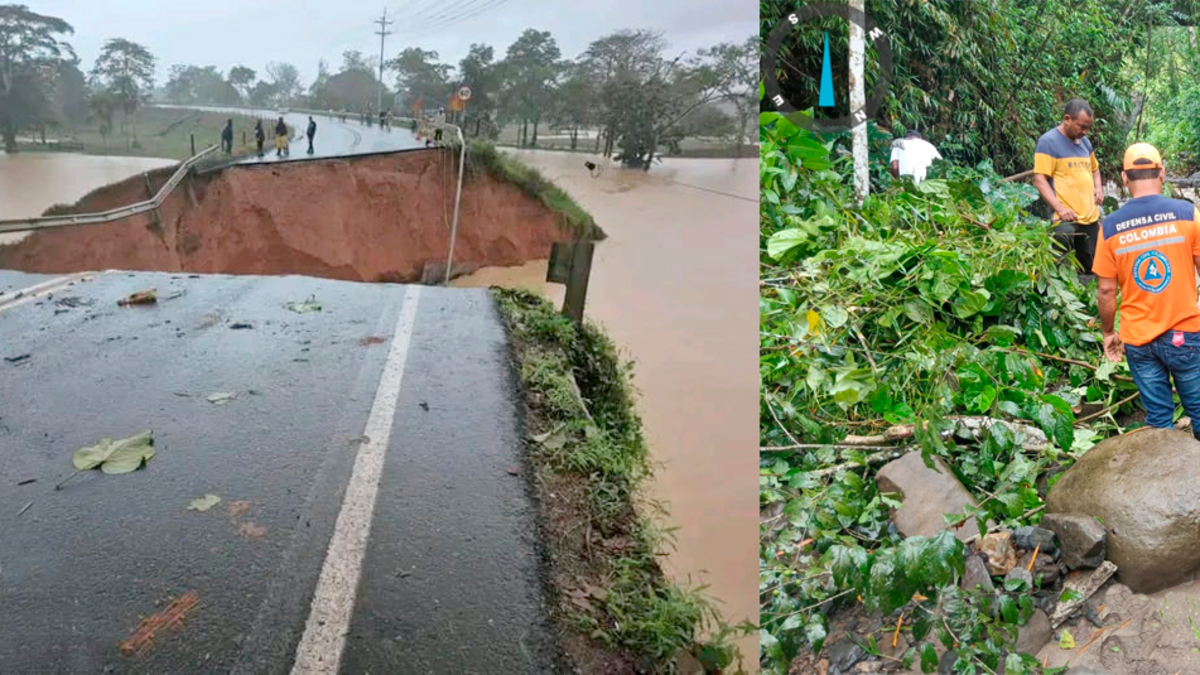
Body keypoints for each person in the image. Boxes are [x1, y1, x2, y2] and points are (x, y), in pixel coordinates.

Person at [1093, 142, 1200, 442]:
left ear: (1124, 179)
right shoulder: (1187, 212)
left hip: (1138, 339)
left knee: (1159, 421)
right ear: (1162, 174)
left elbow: (1105, 289)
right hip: (1185, 335)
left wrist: (1107, 333)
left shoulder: (1110, 226)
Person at [1033, 98, 1104, 275]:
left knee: (1093, 266)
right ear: (1067, 119)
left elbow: (1095, 170)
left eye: (1088, 127)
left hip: (1089, 216)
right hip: (1065, 216)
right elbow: (1039, 180)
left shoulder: (1085, 143)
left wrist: (1098, 188)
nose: (1085, 132)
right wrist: (1060, 208)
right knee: (1060, 261)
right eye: (1081, 126)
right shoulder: (1048, 142)